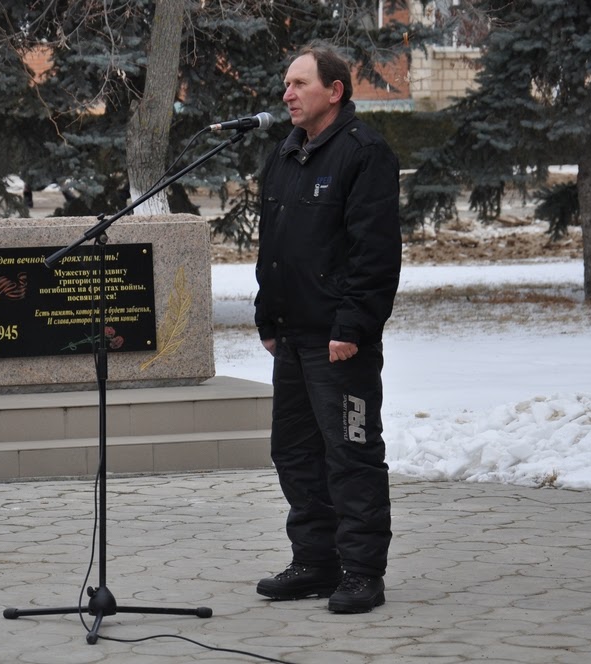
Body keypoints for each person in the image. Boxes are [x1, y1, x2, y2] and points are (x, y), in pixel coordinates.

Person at [253, 44, 401, 614]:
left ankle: (362, 572)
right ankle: (315, 562)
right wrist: (268, 317)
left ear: (334, 91)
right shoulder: (286, 152)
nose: (286, 94)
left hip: (340, 344)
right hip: (292, 338)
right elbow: (274, 247)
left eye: (299, 84)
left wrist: (352, 327)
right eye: (286, 84)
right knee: (294, 453)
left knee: (351, 454)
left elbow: (375, 254)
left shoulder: (364, 153)